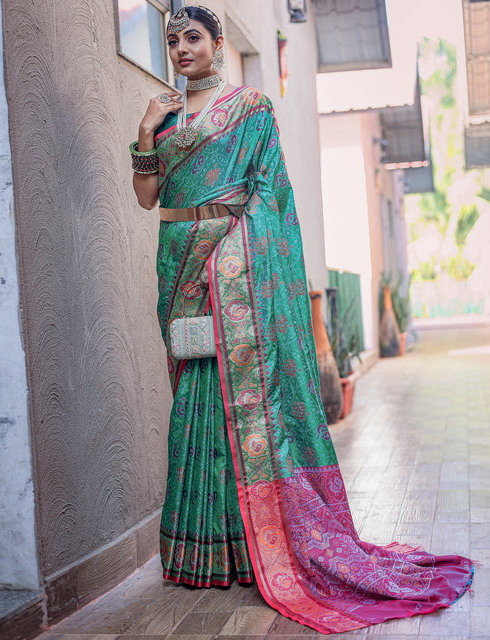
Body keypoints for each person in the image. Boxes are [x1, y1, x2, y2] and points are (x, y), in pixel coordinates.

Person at [131, 5, 473, 634]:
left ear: (216, 45)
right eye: (172, 39)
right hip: (178, 263)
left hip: (232, 266)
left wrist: (232, 259)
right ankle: (200, 552)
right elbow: (148, 197)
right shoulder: (165, 115)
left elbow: (271, 196)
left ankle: (250, 545)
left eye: (193, 38)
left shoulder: (249, 109)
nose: (181, 49)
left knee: (240, 397)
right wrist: (148, 130)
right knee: (193, 401)